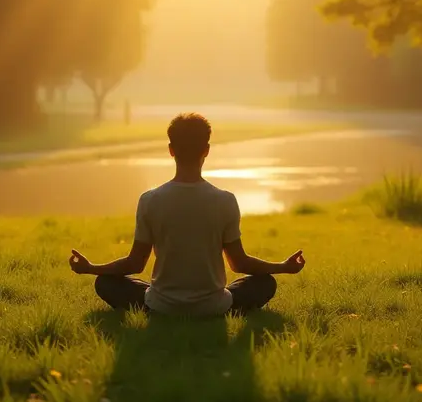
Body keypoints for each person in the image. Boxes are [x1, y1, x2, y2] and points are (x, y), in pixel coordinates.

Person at [67, 112, 306, 316]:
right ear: (207, 150)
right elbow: (239, 263)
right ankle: (219, 309)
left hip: (161, 306)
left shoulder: (150, 200)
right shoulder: (225, 200)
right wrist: (283, 266)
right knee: (264, 283)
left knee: (106, 282)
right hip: (214, 306)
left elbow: (135, 263)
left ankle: (158, 304)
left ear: (171, 150)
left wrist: (91, 268)